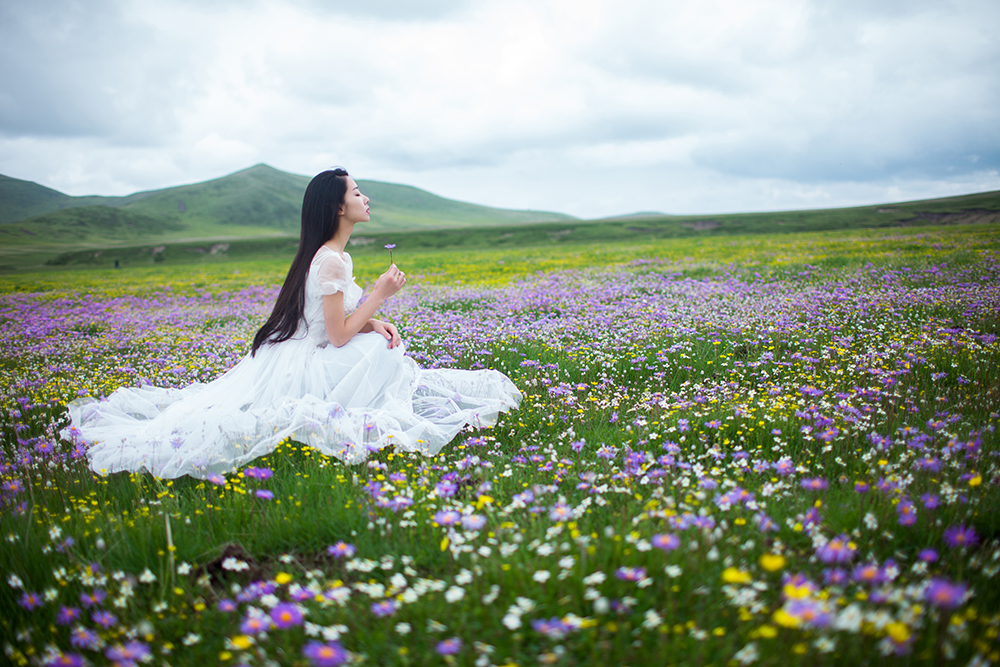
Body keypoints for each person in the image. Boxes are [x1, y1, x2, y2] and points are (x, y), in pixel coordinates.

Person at [63, 169, 522, 479]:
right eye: (357, 192)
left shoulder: (327, 254)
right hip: (307, 361)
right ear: (338, 208)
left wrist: (373, 318)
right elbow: (338, 334)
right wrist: (379, 296)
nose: (367, 198)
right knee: (378, 355)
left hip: (299, 350)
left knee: (378, 345)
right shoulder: (331, 260)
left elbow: (334, 322)